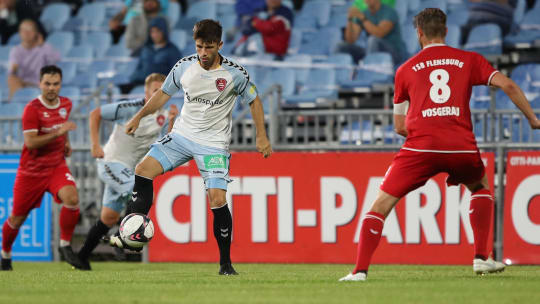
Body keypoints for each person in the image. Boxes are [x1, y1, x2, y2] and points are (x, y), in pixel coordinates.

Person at [339, 8, 540, 282]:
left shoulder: (405, 70)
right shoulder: (469, 59)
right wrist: (532, 119)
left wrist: (426, 130)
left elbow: (399, 126)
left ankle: (359, 272)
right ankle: (481, 258)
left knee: (380, 206)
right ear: (446, 31)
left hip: (420, 147)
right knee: (480, 186)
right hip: (460, 145)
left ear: (419, 33)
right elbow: (507, 85)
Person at [112, 19, 272, 275]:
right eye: (199, 47)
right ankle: (133, 233)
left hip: (213, 144)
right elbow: (161, 95)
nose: (204, 53)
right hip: (181, 136)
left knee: (218, 199)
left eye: (209, 47)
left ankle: (225, 264)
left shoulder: (235, 73)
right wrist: (138, 116)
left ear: (220, 45)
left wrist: (262, 136)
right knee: (143, 170)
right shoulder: (184, 67)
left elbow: (254, 100)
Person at [75, 73, 178, 270]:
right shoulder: (130, 108)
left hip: (128, 170)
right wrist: (95, 145)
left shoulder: (164, 115)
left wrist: (172, 121)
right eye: (155, 90)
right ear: (146, 92)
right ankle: (122, 236)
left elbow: (167, 142)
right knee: (138, 190)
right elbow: (95, 113)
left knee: (108, 217)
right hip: (110, 162)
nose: (159, 94)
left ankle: (82, 257)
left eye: (162, 91)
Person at [1, 65, 81, 271]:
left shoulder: (66, 103)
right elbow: (30, 143)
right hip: (31, 172)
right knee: (17, 219)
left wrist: (67, 142)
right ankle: (6, 253)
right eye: (47, 84)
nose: (52, 88)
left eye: (56, 84)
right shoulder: (32, 109)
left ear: (61, 84)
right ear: (40, 83)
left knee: (72, 199)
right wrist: (58, 133)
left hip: (55, 165)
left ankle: (64, 245)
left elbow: (63, 128)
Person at [337, 0, 406, 65]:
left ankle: (368, 71)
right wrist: (350, 19)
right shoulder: (365, 13)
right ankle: (343, 74)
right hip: (372, 50)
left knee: (373, 40)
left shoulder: (389, 12)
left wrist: (362, 18)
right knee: (341, 46)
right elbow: (351, 40)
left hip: (394, 53)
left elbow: (379, 33)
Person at [7, 19, 61, 100]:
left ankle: (14, 103)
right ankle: (14, 104)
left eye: (29, 30)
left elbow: (56, 60)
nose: (26, 33)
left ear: (36, 33)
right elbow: (13, 68)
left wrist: (43, 45)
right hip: (23, 82)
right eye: (23, 30)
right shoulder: (16, 50)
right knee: (12, 79)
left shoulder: (44, 47)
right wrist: (13, 73)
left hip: (40, 83)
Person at [128, 17, 181, 87]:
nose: (155, 35)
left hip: (159, 87)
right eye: (152, 32)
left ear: (164, 31)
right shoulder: (145, 49)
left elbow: (175, 75)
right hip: (140, 83)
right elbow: (138, 68)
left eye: (158, 31)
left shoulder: (172, 50)